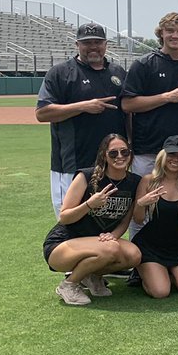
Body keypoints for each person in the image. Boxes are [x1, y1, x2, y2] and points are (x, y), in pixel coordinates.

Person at [36, 23, 128, 213]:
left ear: (106, 44)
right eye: (87, 43)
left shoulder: (118, 73)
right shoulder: (61, 73)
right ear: (77, 44)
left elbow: (128, 113)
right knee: (69, 220)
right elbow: (42, 113)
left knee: (107, 223)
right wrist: (83, 107)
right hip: (72, 164)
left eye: (98, 42)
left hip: (111, 164)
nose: (93, 47)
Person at [43, 133, 142, 306]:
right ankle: (69, 285)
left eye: (124, 152)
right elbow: (65, 217)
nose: (120, 157)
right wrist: (89, 204)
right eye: (113, 153)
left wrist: (114, 235)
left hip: (98, 242)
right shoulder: (86, 176)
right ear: (104, 155)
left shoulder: (134, 182)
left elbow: (125, 220)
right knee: (111, 249)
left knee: (134, 255)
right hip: (62, 245)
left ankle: (92, 276)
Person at [121, 12, 178, 177]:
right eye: (170, 30)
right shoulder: (144, 64)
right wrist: (167, 97)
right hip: (148, 147)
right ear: (161, 33)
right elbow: (127, 104)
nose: (175, 35)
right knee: (144, 197)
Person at [131, 135, 178, 299]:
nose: (176, 160)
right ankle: (145, 272)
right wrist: (141, 203)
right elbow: (137, 219)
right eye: (172, 154)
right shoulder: (148, 181)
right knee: (161, 292)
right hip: (150, 245)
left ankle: (167, 274)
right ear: (163, 155)